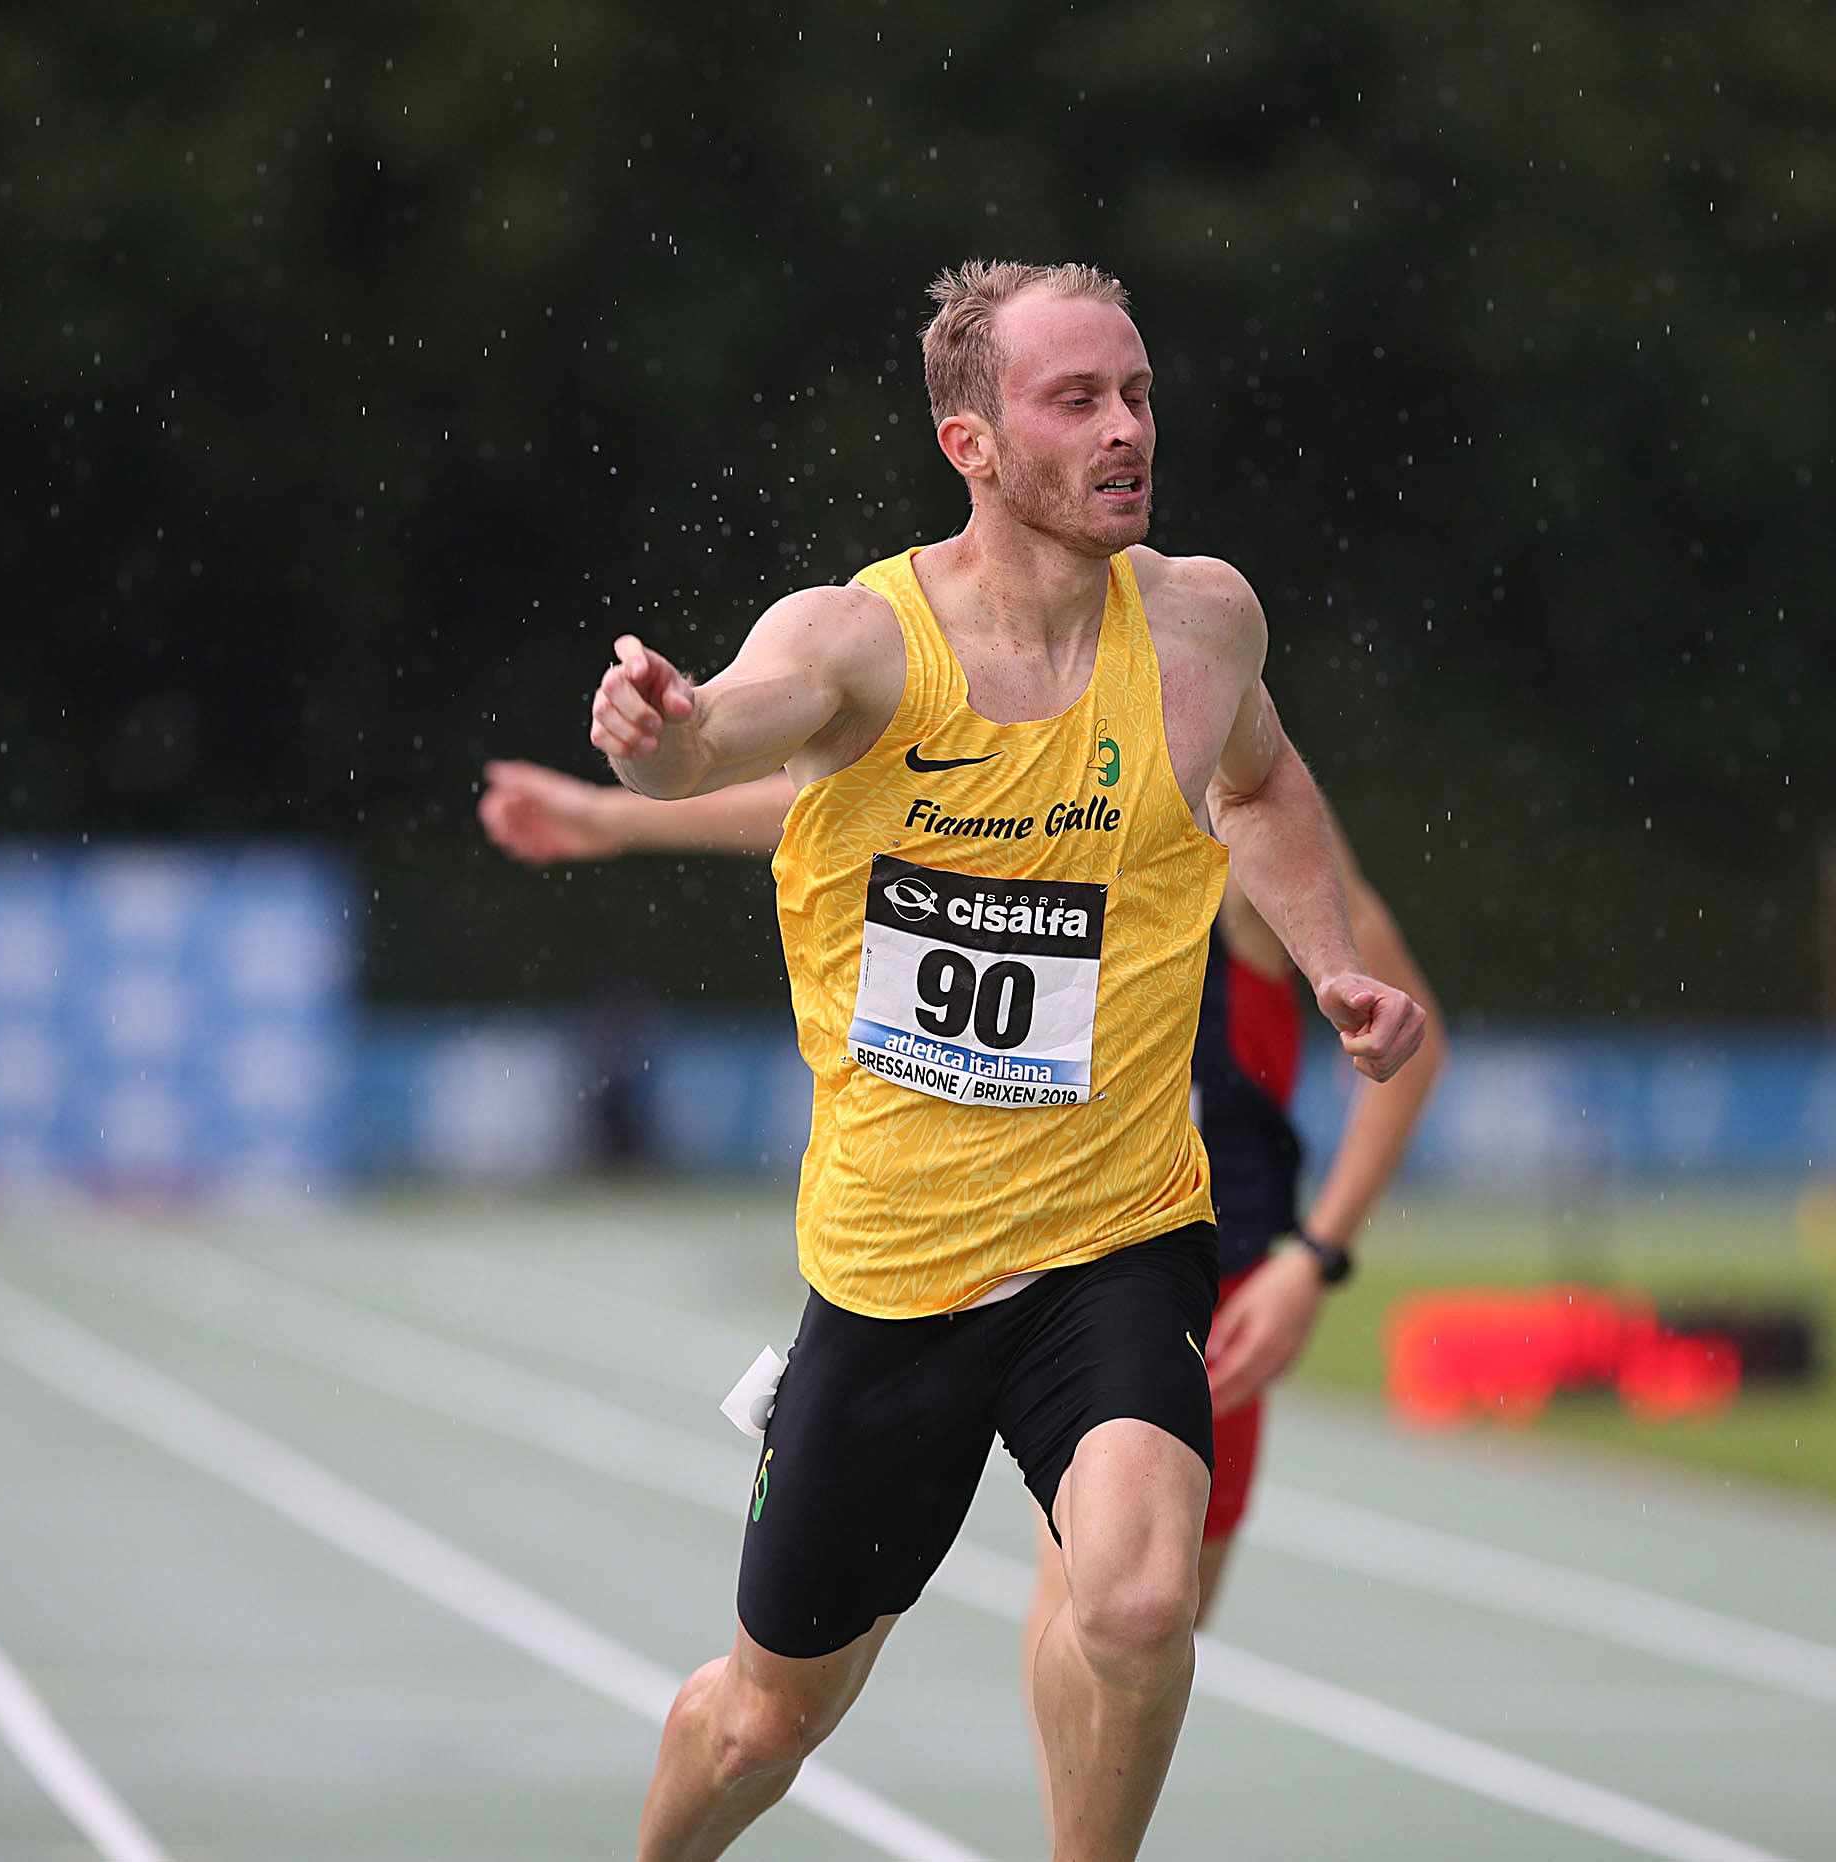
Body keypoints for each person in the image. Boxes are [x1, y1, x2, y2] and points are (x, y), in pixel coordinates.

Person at [581, 259, 1427, 1862]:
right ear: (969, 443)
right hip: (893, 1271)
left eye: (1139, 394)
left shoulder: (1201, 622)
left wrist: (1332, 965)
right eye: (1077, 400)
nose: (1127, 430)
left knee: (1140, 1600)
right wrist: (663, 734)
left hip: (1116, 1234)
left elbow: (1258, 784)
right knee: (762, 1723)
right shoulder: (860, 641)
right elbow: (720, 734)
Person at [479, 759, 1447, 1645]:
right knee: (1084, 1593)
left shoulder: (1247, 806)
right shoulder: (1032, 755)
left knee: (1151, 1627)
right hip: (1064, 1257)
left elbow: (1407, 1033)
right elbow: (834, 802)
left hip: (1209, 1274)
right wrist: (613, 816)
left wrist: (1313, 1257)